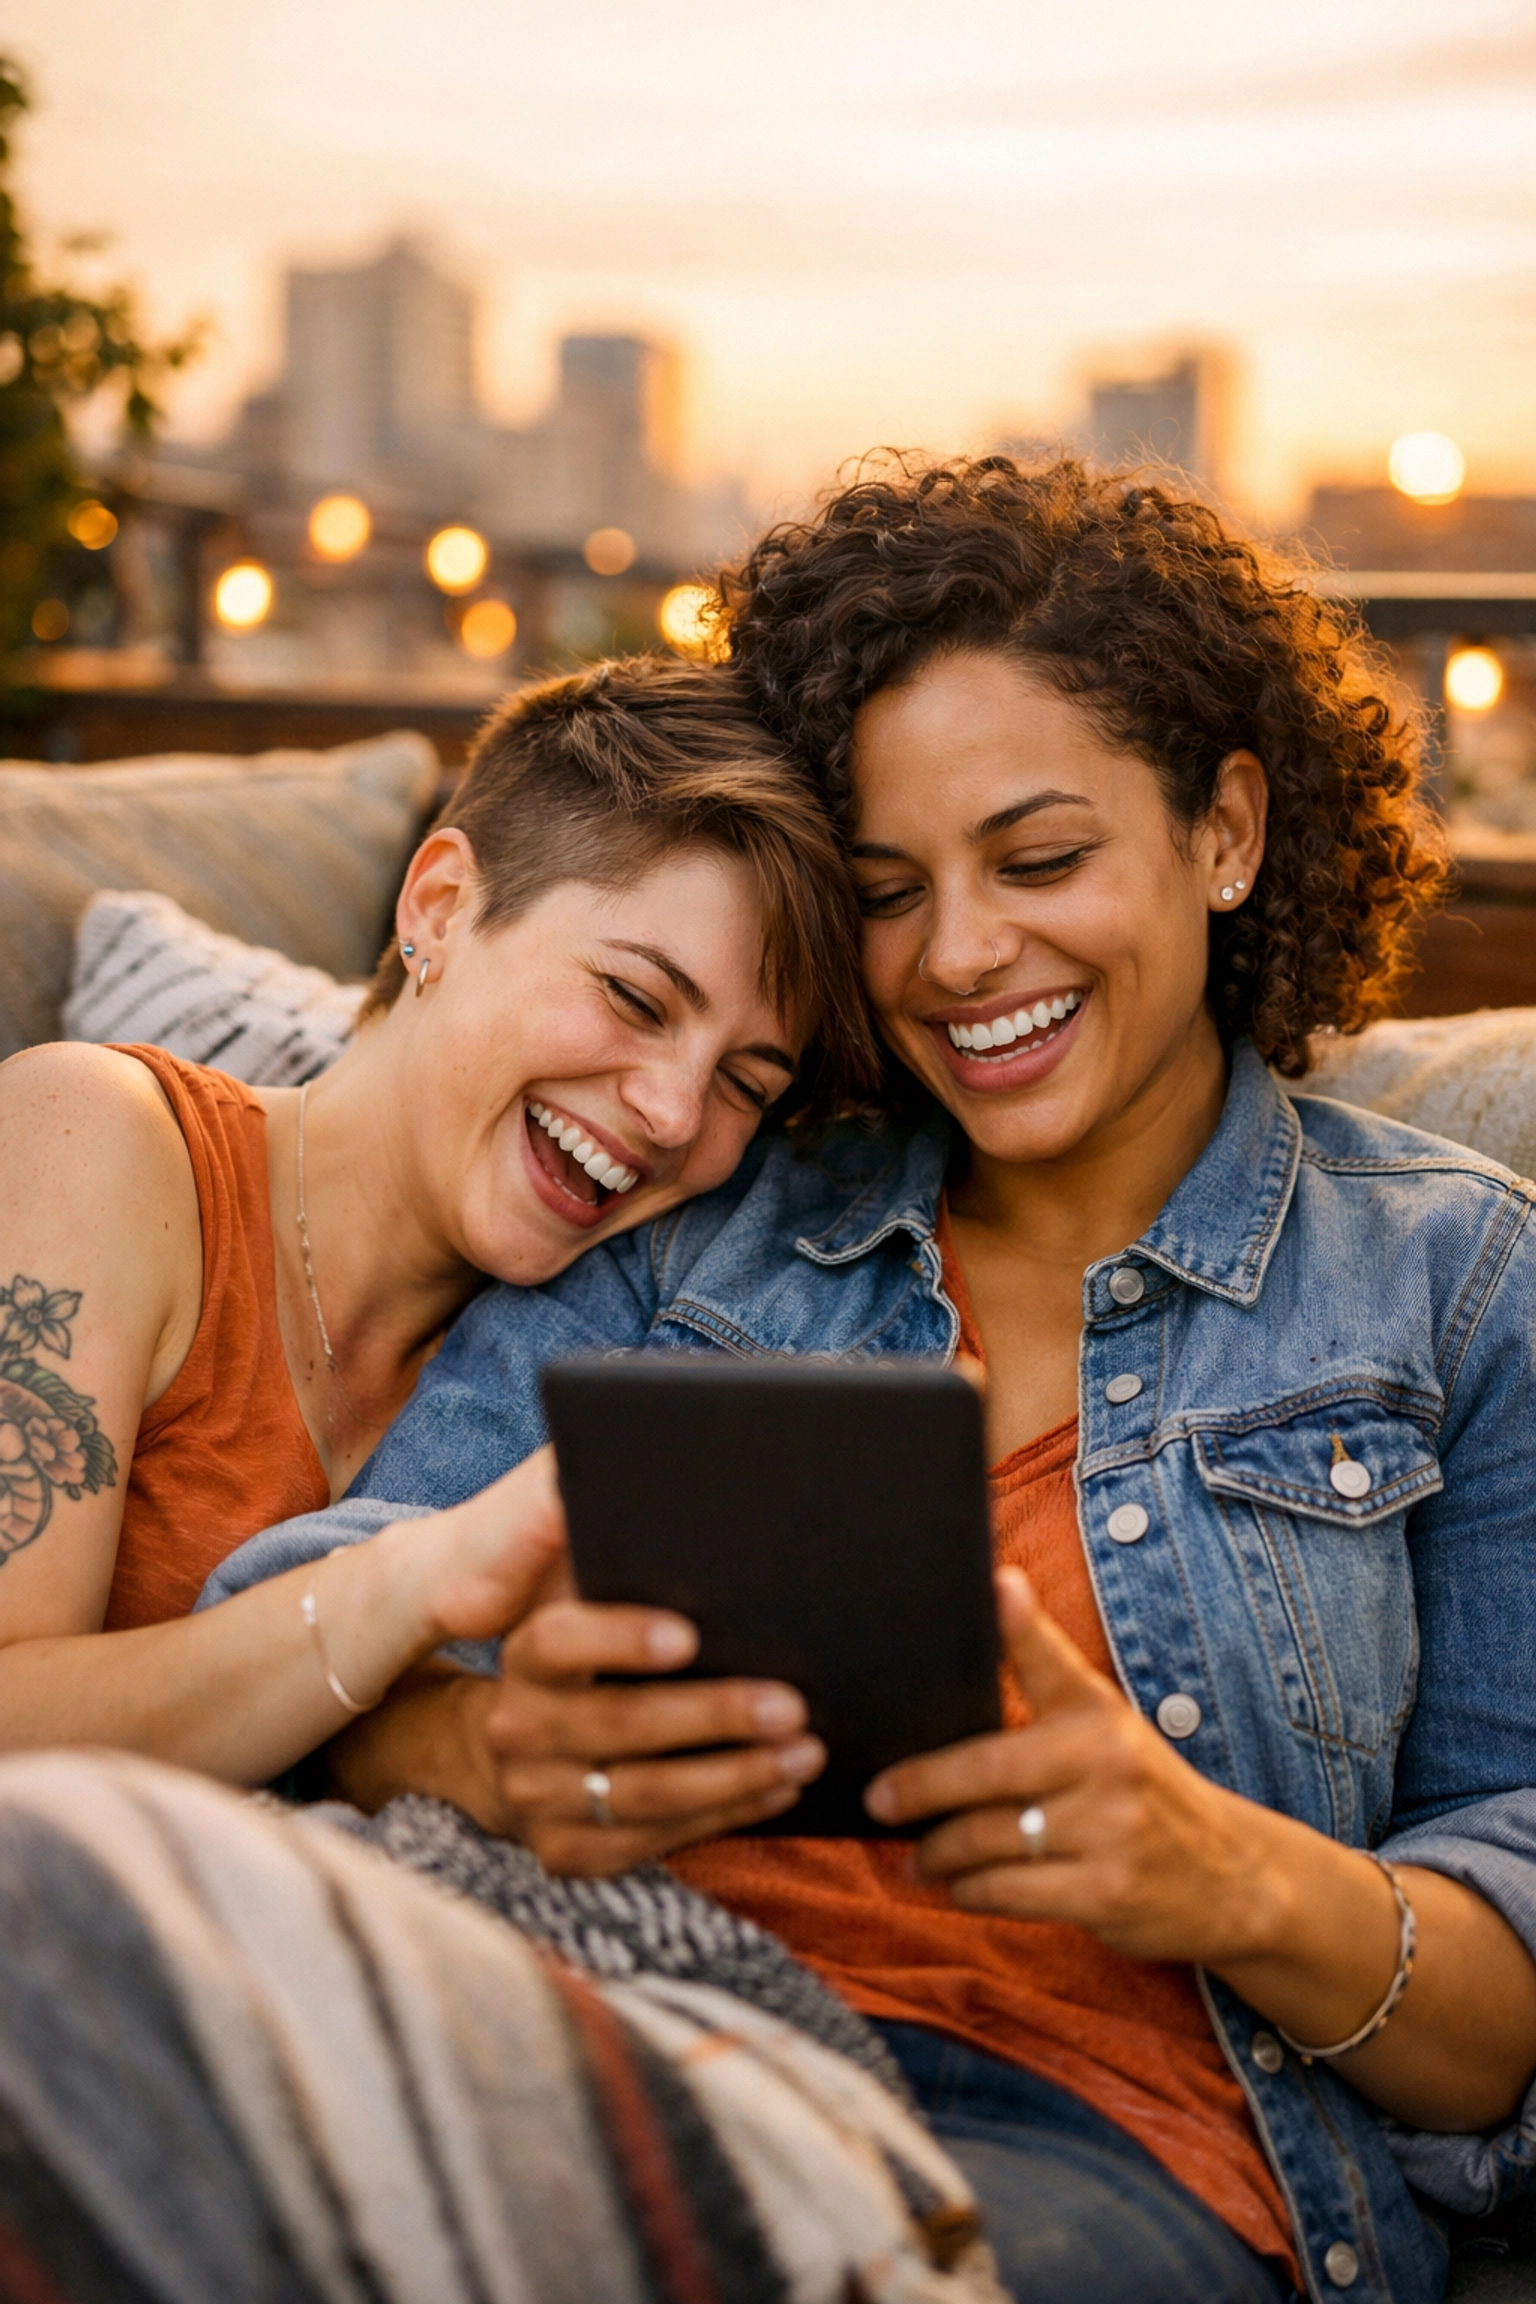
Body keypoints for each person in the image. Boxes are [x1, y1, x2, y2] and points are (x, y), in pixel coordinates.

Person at [207, 457, 1536, 2304]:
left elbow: (1504, 2017)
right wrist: (481, 1748)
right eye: (888, 890)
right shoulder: (710, 1213)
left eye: (1041, 856)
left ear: (1224, 830)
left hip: (1082, 2146)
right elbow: (324, 1592)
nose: (961, 953)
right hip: (594, 2020)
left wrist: (1208, 1864)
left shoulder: (1455, 1280)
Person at [0, 656, 870, 1796]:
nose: (672, 1113)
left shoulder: (615, 1341)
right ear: (441, 910)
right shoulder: (98, 1141)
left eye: (745, 1084)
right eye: (636, 998)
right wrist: (400, 1588)